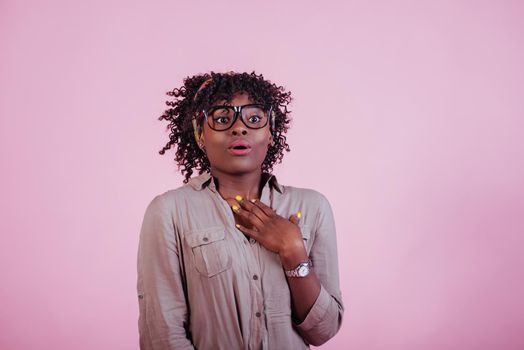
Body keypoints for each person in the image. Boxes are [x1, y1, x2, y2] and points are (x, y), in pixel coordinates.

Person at [137, 71, 344, 349]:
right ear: (200, 134)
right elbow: (162, 336)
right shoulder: (169, 212)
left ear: (270, 132)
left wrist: (293, 252)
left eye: (254, 119)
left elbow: (324, 330)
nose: (239, 128)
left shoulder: (311, 207)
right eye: (222, 119)